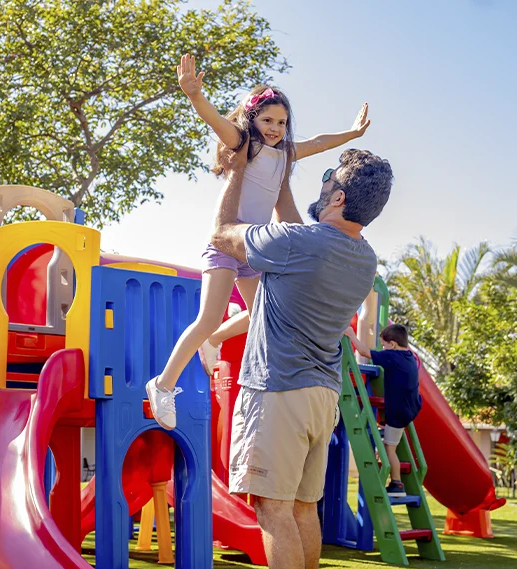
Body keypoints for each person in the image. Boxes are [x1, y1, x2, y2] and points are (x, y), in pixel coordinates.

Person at [210, 144, 394, 569]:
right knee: (300, 509)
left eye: (327, 182)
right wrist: (284, 176)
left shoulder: (302, 244)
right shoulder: (361, 256)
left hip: (279, 391)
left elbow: (221, 233)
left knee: (272, 510)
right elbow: (296, 224)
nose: (321, 187)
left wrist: (240, 172)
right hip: (321, 396)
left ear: (336, 197)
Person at [145, 53, 371, 430]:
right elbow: (216, 121)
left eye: (281, 122)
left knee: (263, 316)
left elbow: (318, 141)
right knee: (207, 317)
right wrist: (194, 96)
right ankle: (164, 385)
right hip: (225, 243)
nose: (275, 128)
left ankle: (215, 340)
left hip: (253, 247)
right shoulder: (243, 143)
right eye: (267, 120)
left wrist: (351, 134)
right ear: (252, 119)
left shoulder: (284, 154)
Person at [343, 323, 422, 494]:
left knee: (389, 448)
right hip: (410, 407)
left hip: (399, 412)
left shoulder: (392, 357)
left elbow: (365, 352)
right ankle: (396, 481)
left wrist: (351, 335)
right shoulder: (409, 356)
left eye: (384, 345)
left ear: (392, 344)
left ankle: (397, 484)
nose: (383, 348)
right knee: (391, 438)